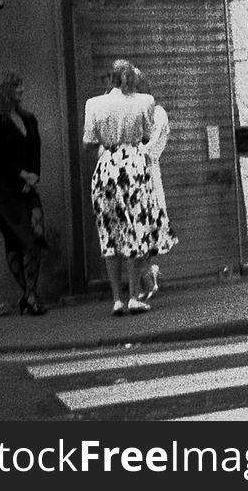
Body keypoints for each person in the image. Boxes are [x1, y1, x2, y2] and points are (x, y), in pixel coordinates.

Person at [83, 59, 177, 316]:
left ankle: (116, 299)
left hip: (107, 168)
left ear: (109, 78)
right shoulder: (145, 102)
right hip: (134, 167)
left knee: (110, 234)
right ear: (131, 78)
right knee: (136, 230)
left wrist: (107, 150)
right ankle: (134, 295)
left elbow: (89, 142)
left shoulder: (94, 104)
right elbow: (146, 135)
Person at [0, 72, 48, 316]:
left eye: (22, 86)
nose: (21, 91)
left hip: (27, 186)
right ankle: (30, 296)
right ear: (5, 92)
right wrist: (21, 174)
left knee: (35, 236)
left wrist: (33, 177)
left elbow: (35, 149)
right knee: (16, 240)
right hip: (3, 189)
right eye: (17, 87)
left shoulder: (28, 118)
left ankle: (29, 296)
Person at [133, 67, 169, 302]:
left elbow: (153, 147)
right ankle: (145, 277)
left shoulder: (158, 113)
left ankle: (147, 276)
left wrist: (131, 147)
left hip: (147, 180)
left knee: (144, 229)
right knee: (132, 230)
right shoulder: (122, 114)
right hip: (127, 181)